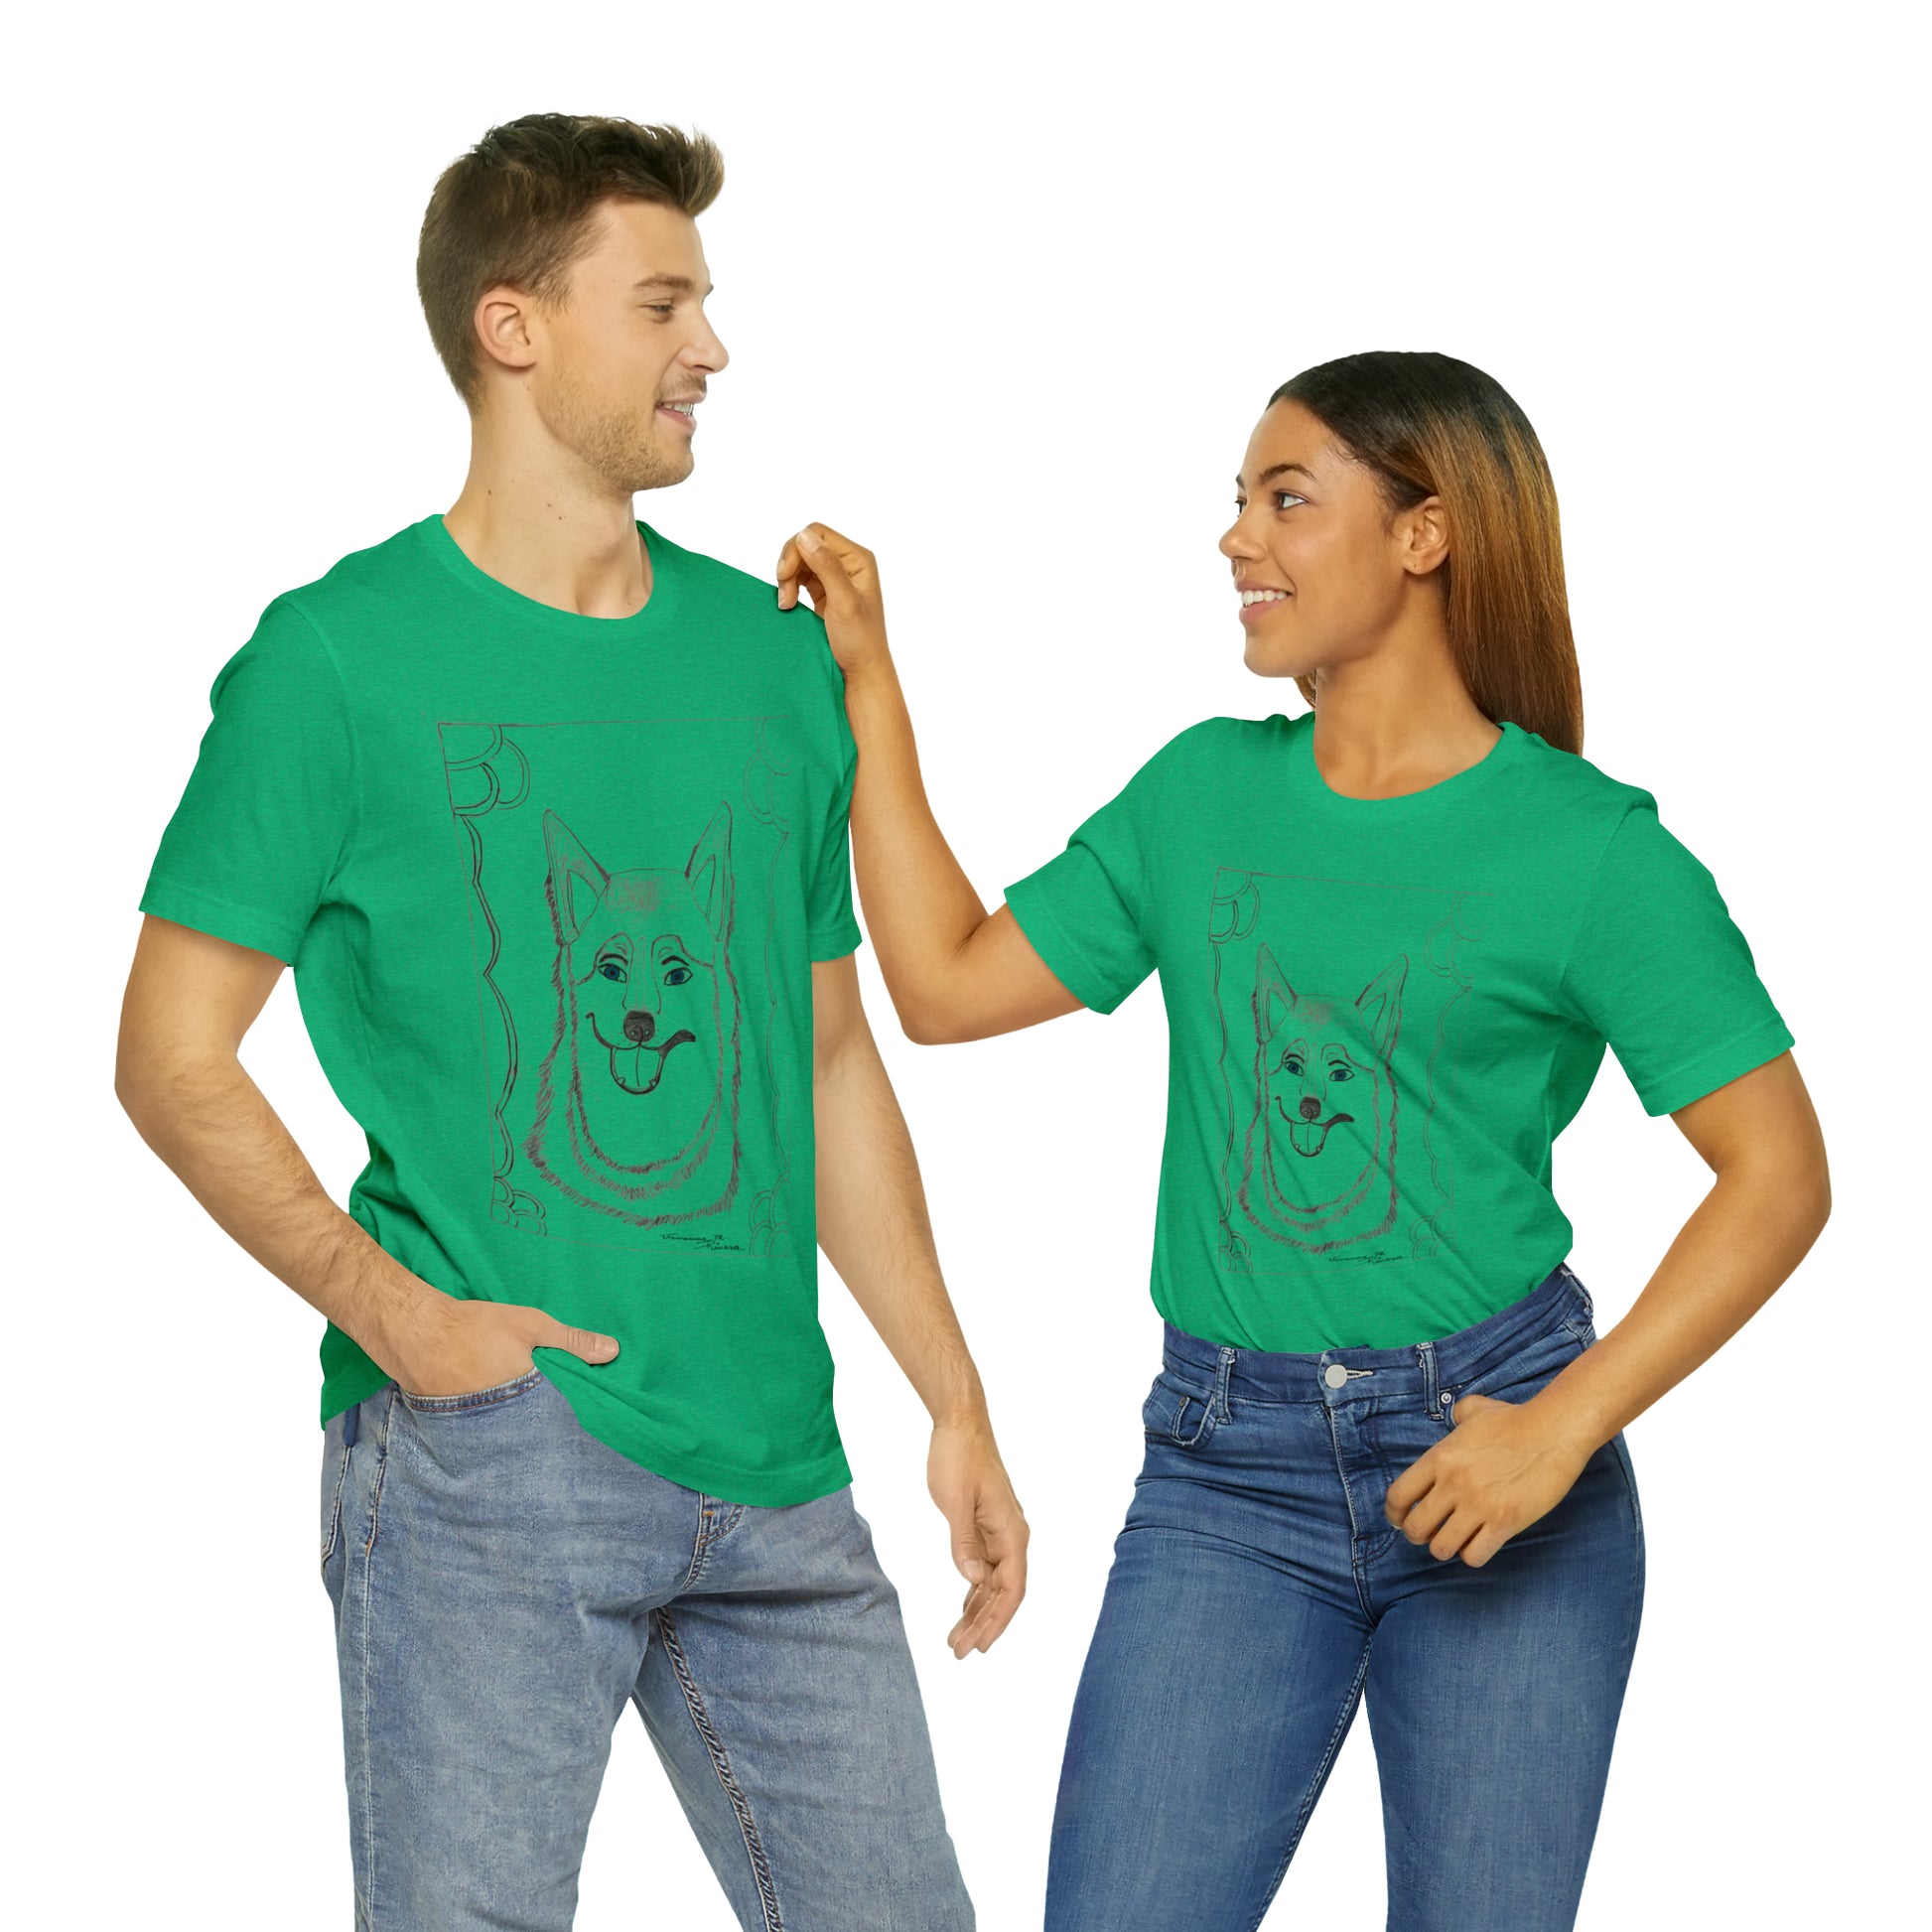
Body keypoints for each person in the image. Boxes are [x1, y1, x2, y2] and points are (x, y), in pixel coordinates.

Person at [774, 349, 1830, 1931]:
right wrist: (868, 680)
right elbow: (941, 984)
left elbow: (1779, 1173)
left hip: (1497, 1456)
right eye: (1237, 501)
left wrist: (1556, 1431)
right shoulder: (1203, 794)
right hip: (1226, 1475)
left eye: (1285, 499)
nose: (1235, 539)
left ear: (1423, 534)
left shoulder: (1591, 850)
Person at [114, 113, 1023, 1932]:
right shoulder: (336, 658)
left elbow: (825, 1055)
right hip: (489, 1450)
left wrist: (952, 1391)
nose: (712, 347)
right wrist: (403, 1319)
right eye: (663, 303)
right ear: (512, 327)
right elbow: (169, 1052)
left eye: (706, 303)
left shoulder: (771, 660)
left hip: (777, 1450)